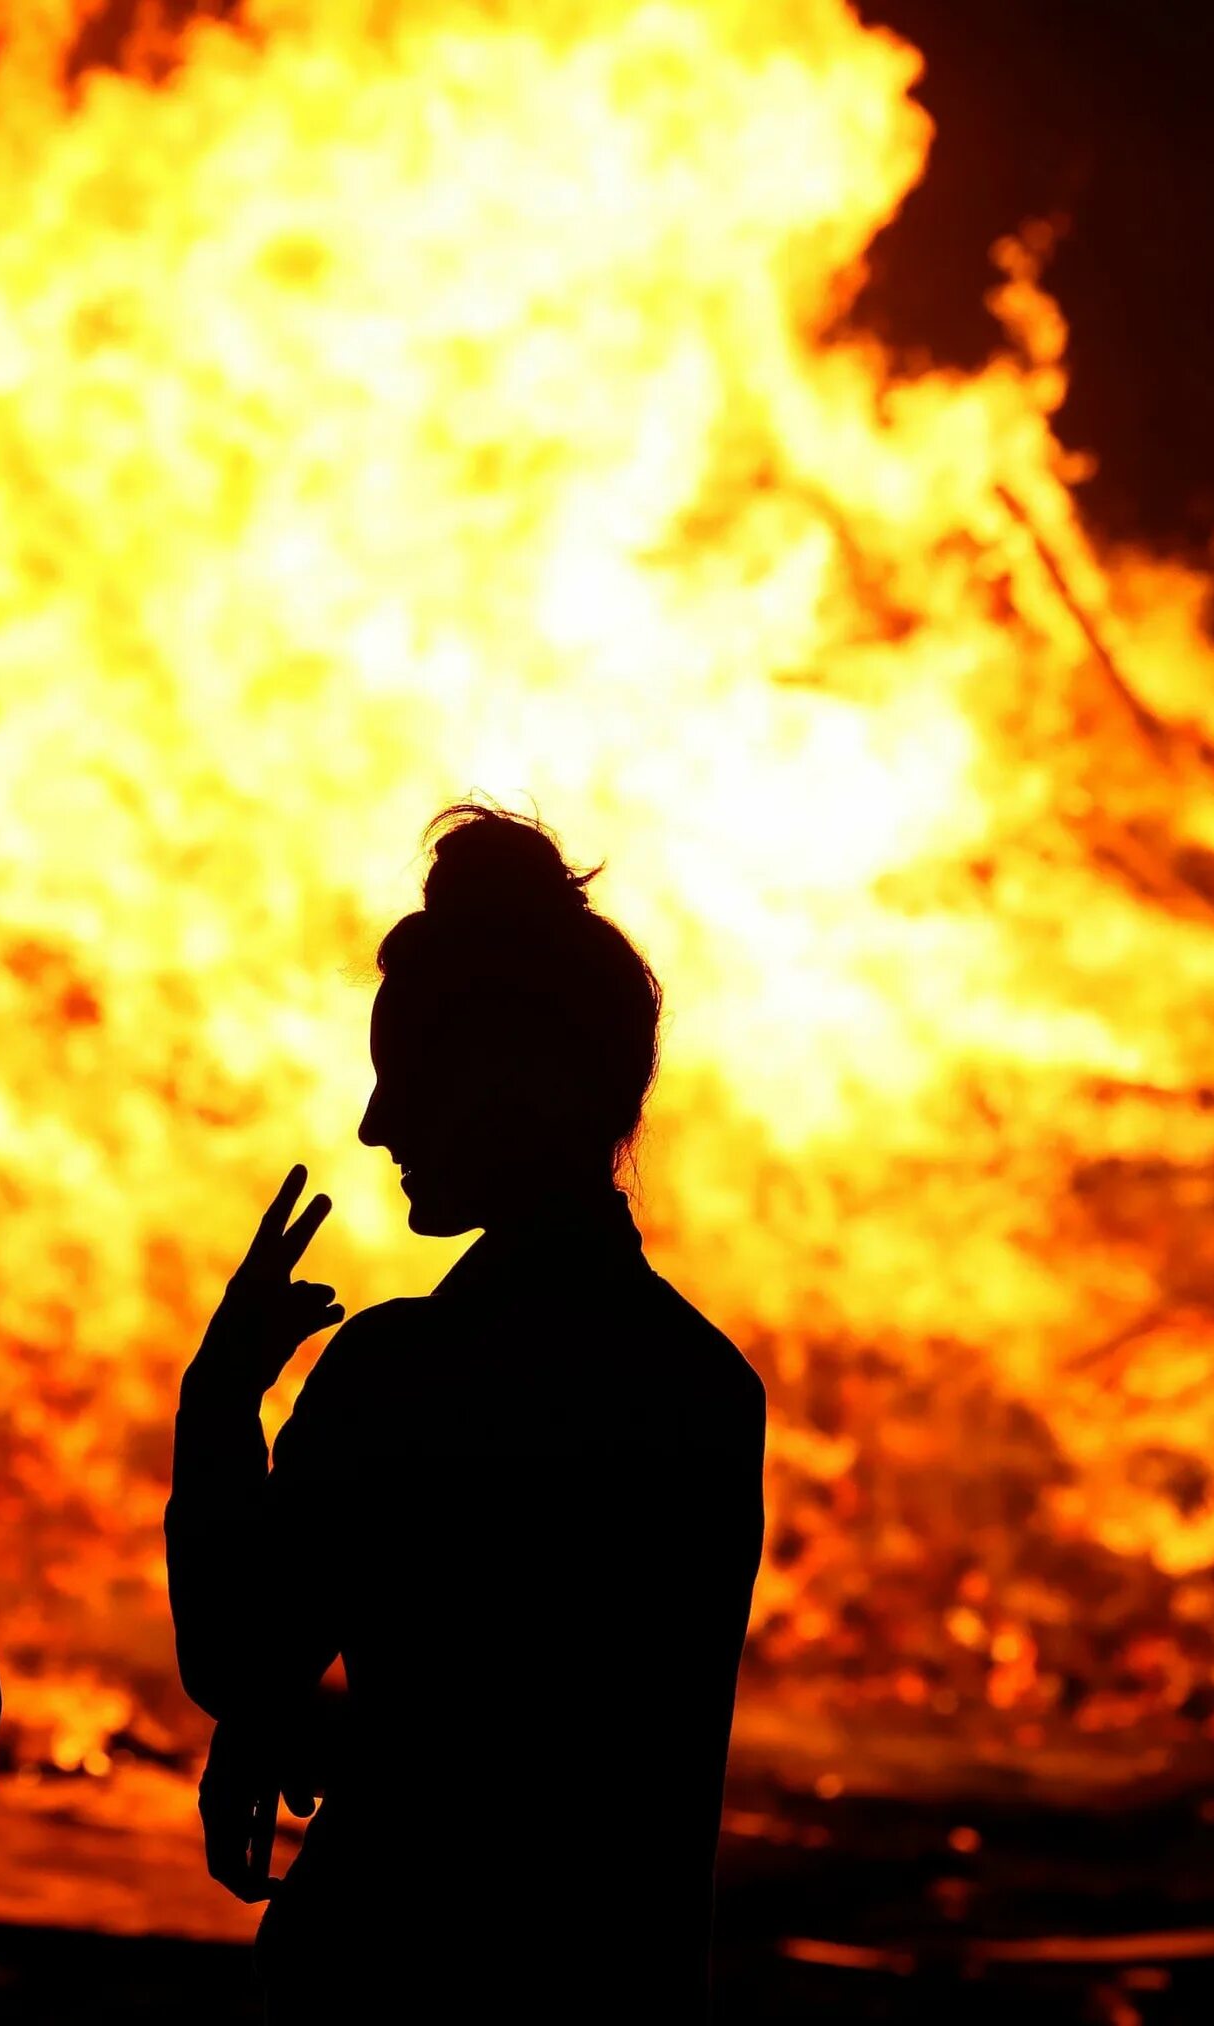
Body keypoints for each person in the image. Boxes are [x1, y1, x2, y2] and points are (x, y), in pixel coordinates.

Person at [167, 806, 766, 2019]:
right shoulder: (707, 1387)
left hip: (386, 2006)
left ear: (512, 1088)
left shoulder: (402, 1374)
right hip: (615, 2012)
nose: (377, 1124)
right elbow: (572, 1735)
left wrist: (220, 1396)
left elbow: (237, 1653)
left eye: (409, 1079)